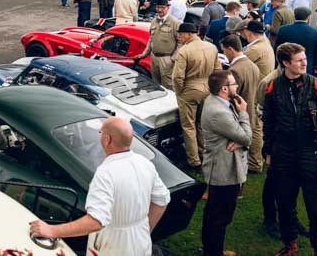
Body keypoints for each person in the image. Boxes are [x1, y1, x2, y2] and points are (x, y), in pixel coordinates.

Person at [29, 117, 170, 256]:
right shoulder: (144, 163)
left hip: (113, 245)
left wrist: (52, 230)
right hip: (141, 239)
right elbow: (162, 199)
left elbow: (96, 221)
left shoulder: (106, 173)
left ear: (107, 139)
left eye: (100, 133)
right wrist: (144, 229)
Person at [263, 43, 317, 256]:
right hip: (283, 153)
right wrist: (267, 151)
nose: (304, 63)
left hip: (310, 152)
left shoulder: (316, 85)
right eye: (299, 60)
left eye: (305, 58)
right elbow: (268, 123)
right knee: (285, 202)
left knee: (316, 208)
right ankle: (290, 246)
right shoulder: (272, 87)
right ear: (286, 63)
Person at [201, 70, 252, 256]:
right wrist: (244, 114)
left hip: (221, 167)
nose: (237, 86)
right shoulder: (219, 111)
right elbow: (247, 136)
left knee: (214, 214)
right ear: (224, 89)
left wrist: (240, 139)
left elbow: (241, 137)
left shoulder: (217, 102)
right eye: (233, 84)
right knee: (220, 217)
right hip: (223, 171)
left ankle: (212, 250)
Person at [172, 22, 222, 170]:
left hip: (189, 88)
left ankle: (194, 160)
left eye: (181, 34)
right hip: (207, 87)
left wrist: (179, 91)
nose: (179, 37)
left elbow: (177, 77)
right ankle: (205, 154)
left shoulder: (184, 51)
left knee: (189, 126)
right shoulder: (211, 47)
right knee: (202, 125)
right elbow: (218, 70)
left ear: (188, 34)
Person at [220, 34, 261, 172]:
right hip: (252, 105)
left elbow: (231, 95)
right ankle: (255, 162)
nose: (224, 54)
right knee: (254, 133)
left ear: (230, 49)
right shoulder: (252, 65)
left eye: (224, 51)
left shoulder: (235, 70)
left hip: (240, 111)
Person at [135, 0, 180, 89]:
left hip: (167, 59)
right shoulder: (154, 21)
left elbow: (180, 42)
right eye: (158, 7)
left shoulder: (174, 23)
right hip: (154, 58)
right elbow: (151, 39)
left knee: (168, 85)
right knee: (155, 85)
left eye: (162, 8)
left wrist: (173, 58)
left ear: (167, 8)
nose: (160, 10)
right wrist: (144, 54)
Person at [274, 7, 317, 75]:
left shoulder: (283, 30)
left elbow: (277, 49)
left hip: (287, 68)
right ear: (308, 17)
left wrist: (278, 65)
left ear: (294, 16)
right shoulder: (316, 32)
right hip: (307, 69)